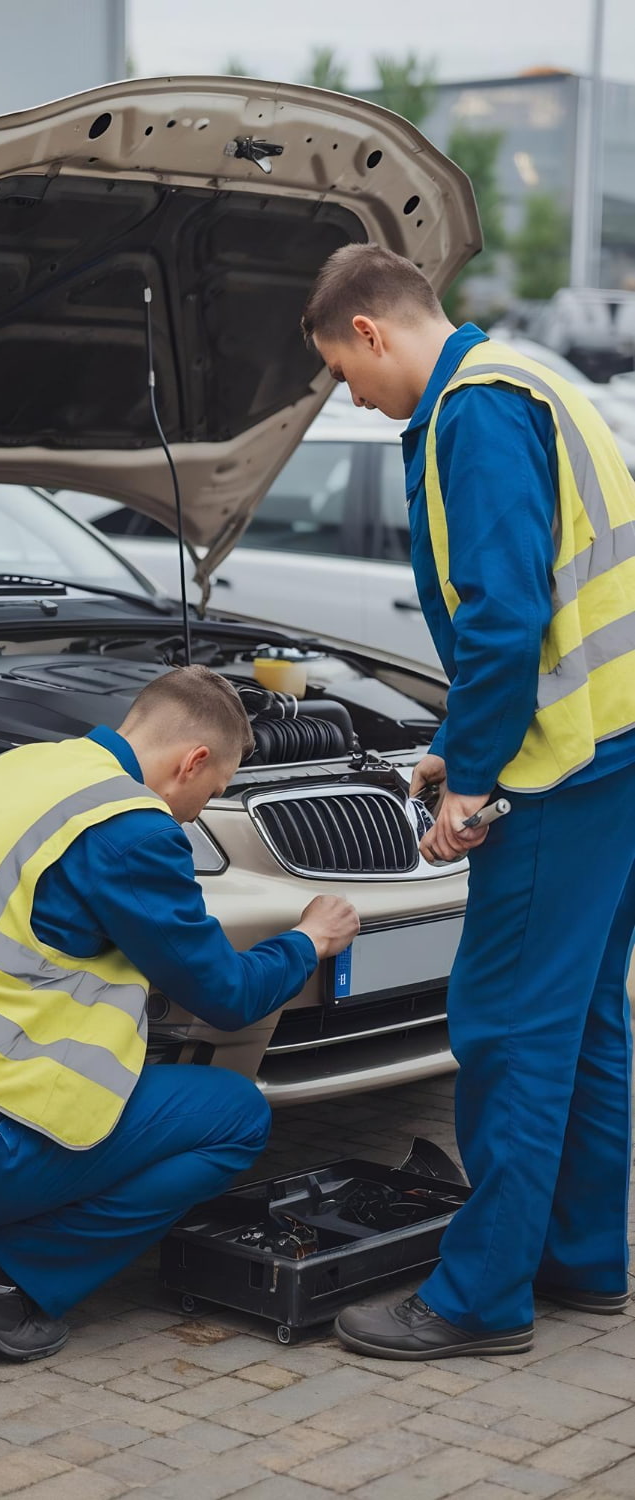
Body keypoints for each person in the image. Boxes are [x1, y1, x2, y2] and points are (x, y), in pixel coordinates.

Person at [301, 243, 635, 1360]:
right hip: (619, 744)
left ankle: (479, 1297)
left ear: (369, 332)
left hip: (567, 770)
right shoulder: (531, 377)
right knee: (586, 1018)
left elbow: (502, 617)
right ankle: (582, 1261)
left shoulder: (474, 413)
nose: (353, 396)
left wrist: (478, 784)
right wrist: (458, 743)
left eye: (344, 377)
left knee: (507, 1030)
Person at [0, 665, 359, 1361]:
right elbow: (227, 998)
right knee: (234, 1116)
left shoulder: (5, 774)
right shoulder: (127, 826)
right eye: (214, 789)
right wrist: (308, 940)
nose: (200, 809)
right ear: (193, 761)